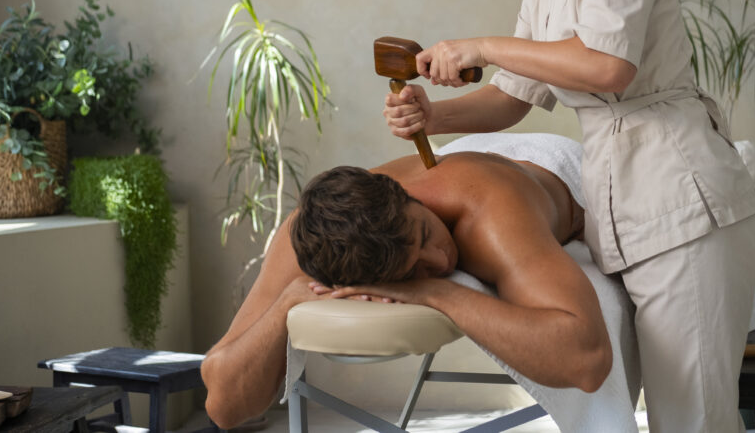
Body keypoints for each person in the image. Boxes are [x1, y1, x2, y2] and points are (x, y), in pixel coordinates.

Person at [382, 0, 755, 431]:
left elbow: (608, 66)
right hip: (627, 217)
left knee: (695, 423)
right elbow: (512, 98)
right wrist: (431, 115)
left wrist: (483, 46)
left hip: (684, 207)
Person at [201, 145, 612, 430]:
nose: (441, 261)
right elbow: (222, 406)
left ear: (406, 196)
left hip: (557, 170)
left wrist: (436, 293)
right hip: (473, 161)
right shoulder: (309, 233)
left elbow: (588, 361)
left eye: (424, 233)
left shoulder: (491, 214)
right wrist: (287, 301)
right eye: (412, 271)